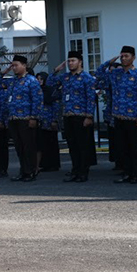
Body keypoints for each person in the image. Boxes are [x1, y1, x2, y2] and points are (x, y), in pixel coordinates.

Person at [96, 46, 137, 184]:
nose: (124, 58)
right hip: (118, 116)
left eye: (127, 56)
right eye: (122, 56)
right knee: (122, 147)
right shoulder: (115, 74)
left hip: (133, 117)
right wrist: (109, 61)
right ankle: (126, 173)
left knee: (134, 147)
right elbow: (99, 73)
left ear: (133, 57)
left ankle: (136, 174)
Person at [50, 51, 97, 182]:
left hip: (81, 116)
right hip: (68, 115)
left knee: (83, 146)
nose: (70, 63)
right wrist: (56, 70)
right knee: (72, 146)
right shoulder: (65, 77)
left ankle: (83, 172)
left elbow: (91, 98)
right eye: (69, 61)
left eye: (73, 60)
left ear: (80, 62)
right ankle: (75, 170)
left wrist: (89, 116)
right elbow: (50, 82)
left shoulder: (87, 78)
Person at [2, 55, 42, 182]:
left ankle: (31, 171)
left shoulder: (31, 81)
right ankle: (23, 170)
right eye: (12, 65)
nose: (14, 68)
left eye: (16, 65)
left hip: (26, 118)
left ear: (24, 65)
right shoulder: (13, 81)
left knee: (28, 146)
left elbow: (37, 100)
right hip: (13, 118)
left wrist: (34, 117)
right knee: (19, 147)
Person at [36, 72, 62, 173]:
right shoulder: (36, 91)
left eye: (41, 79)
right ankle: (44, 164)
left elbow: (56, 107)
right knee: (42, 144)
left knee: (52, 143)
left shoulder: (51, 91)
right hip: (41, 121)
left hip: (49, 120)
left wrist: (54, 120)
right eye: (37, 79)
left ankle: (53, 164)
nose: (39, 81)